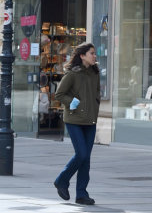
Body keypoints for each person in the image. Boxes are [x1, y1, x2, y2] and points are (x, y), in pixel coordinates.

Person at [53, 42, 100, 206]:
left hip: (90, 121)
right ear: (82, 56)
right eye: (92, 53)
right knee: (81, 154)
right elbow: (59, 94)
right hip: (74, 120)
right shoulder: (72, 74)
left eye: (94, 53)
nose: (95, 56)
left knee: (86, 159)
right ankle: (62, 180)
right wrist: (72, 102)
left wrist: (95, 106)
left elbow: (96, 94)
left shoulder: (95, 72)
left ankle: (81, 194)